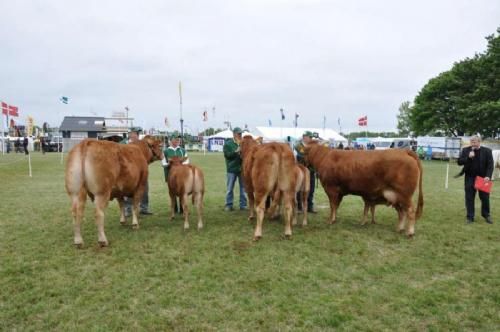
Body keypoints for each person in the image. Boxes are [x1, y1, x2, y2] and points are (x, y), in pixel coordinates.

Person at [457, 135, 494, 224]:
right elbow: (459, 162)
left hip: (483, 178)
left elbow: (490, 165)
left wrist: (488, 176)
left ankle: (486, 215)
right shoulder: (466, 150)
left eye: (474, 141)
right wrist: (468, 157)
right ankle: (470, 217)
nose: (472, 143)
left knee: (485, 198)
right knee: (469, 197)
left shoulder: (487, 151)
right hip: (470, 177)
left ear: (479, 141)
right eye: (471, 141)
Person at [122, 127, 153, 216]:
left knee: (144, 189)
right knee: (128, 191)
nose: (133, 135)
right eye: (131, 133)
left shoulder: (143, 145)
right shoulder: (124, 144)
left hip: (142, 171)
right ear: (129, 134)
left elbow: (149, 156)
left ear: (137, 135)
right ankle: (128, 209)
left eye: (135, 133)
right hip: (129, 172)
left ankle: (144, 208)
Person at [162, 133, 189, 214]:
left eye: (178, 139)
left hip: (182, 175)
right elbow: (163, 163)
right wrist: (170, 163)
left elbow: (187, 162)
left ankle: (182, 208)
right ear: (171, 140)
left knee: (182, 191)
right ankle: (174, 208)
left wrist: (180, 163)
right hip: (170, 176)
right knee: (172, 191)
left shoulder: (182, 150)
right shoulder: (166, 151)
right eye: (176, 139)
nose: (178, 141)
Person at [223, 127, 247, 211]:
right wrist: (236, 151)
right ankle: (229, 205)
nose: (240, 135)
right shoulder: (228, 144)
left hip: (241, 169)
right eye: (239, 134)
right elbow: (227, 155)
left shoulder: (243, 143)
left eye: (241, 134)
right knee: (230, 188)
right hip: (232, 169)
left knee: (243, 188)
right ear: (234, 134)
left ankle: (243, 205)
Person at [294, 131, 317, 213]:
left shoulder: (312, 146)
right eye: (309, 137)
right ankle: (299, 207)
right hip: (301, 171)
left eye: (311, 137)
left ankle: (309, 206)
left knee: (311, 189)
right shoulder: (298, 145)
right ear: (304, 137)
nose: (310, 139)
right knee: (299, 189)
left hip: (311, 171)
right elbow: (302, 153)